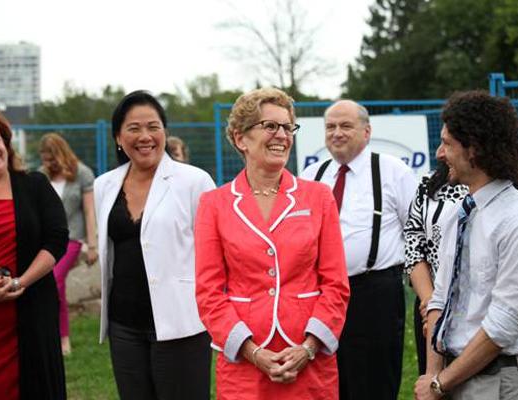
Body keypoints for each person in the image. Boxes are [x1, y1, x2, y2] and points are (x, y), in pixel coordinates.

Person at [194, 88, 350, 399]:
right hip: (244, 362)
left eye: (287, 127)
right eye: (270, 126)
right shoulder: (214, 204)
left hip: (309, 357)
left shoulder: (318, 197)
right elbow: (208, 293)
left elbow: (336, 284)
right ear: (241, 139)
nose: (282, 135)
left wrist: (307, 348)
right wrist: (252, 352)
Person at [415, 90, 518, 400]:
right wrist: (432, 374)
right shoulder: (459, 214)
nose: (439, 153)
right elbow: (440, 299)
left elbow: (503, 326)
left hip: (500, 384)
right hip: (452, 379)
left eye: (447, 143)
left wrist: (440, 383)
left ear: (474, 149)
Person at [94, 90, 216, 400]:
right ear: (119, 137)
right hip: (123, 325)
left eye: (153, 126)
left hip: (181, 323)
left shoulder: (194, 181)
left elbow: (214, 254)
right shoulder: (104, 185)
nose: (145, 136)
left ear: (165, 132)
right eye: (134, 128)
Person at [301, 99, 418, 400]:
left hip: (374, 293)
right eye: (330, 126)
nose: (337, 133)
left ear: (366, 131)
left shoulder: (393, 171)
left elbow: (416, 232)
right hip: (322, 294)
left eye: (345, 126)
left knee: (374, 380)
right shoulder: (312, 176)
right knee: (326, 379)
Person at [0, 110, 68, 399]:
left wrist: (21, 282)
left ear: (7, 143)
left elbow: (56, 239)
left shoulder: (34, 185)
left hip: (31, 312)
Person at [404, 162, 468, 374]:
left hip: (475, 309)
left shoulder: (506, 187)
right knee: (432, 383)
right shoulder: (428, 183)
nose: (440, 152)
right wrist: (430, 305)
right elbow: (413, 241)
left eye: (448, 143)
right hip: (429, 304)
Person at [39, 132, 98, 356]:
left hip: (72, 238)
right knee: (55, 286)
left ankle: (61, 337)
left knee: (54, 280)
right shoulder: (41, 176)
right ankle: (58, 337)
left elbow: (89, 211)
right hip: (45, 240)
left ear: (61, 154)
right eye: (44, 159)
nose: (48, 163)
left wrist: (92, 245)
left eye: (51, 159)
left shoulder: (82, 174)